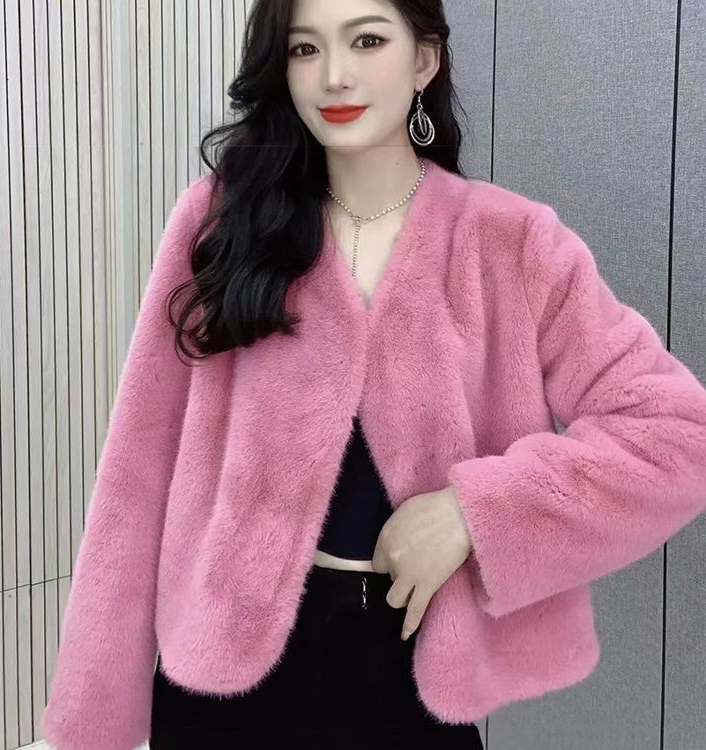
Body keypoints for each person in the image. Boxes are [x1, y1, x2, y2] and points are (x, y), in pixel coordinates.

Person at [41, 0, 706, 748]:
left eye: (366, 40)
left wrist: (474, 516)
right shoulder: (224, 224)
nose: (334, 75)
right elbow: (138, 473)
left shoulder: (510, 244)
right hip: (222, 675)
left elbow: (676, 433)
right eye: (305, 49)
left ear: (423, 61)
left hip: (410, 665)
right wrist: (92, 714)